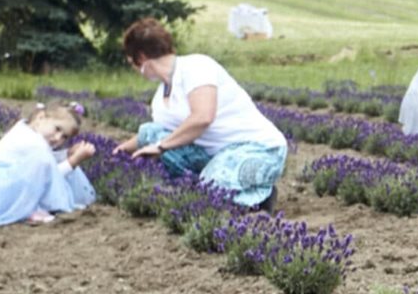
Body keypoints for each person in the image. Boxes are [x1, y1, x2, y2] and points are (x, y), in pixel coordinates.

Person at [115, 19, 291, 211]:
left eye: (132, 62)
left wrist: (160, 147)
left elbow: (203, 117)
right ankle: (222, 187)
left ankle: (259, 197)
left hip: (257, 148)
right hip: (216, 155)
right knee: (151, 133)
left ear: (141, 58)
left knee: (210, 190)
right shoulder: (160, 97)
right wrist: (120, 151)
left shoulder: (196, 67)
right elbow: (156, 134)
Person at [0, 102, 97, 226]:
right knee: (43, 171)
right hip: (6, 188)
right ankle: (28, 210)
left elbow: (48, 160)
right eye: (57, 129)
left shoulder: (27, 130)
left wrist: (67, 153)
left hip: (0, 184)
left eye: (64, 137)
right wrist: (74, 161)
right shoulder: (34, 144)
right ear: (40, 118)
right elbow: (52, 175)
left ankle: (32, 207)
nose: (58, 138)